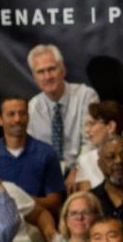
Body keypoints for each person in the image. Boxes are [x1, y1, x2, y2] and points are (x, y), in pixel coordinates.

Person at [26, 45, 100, 176]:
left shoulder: (86, 96)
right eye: (41, 72)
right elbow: (32, 150)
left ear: (63, 70)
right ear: (34, 77)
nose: (47, 76)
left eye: (51, 69)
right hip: (47, 175)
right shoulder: (32, 107)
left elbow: (91, 141)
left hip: (82, 170)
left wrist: (78, 170)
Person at [0, 96, 65, 215]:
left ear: (28, 117)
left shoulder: (46, 153)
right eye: (11, 114)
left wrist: (22, 200)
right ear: (0, 120)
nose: (17, 119)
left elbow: (55, 201)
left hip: (36, 223)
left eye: (22, 113)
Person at [73, 102, 123, 192]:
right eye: (86, 125)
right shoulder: (85, 160)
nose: (87, 130)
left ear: (111, 126)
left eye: (92, 124)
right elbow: (87, 201)